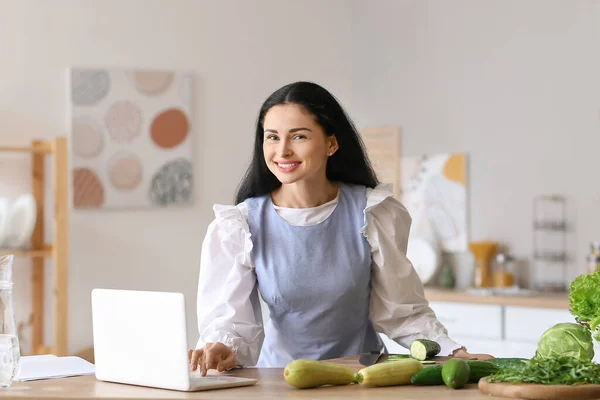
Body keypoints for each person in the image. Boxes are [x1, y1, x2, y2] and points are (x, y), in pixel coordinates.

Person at [188, 81, 492, 376]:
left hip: (364, 378)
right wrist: (222, 348)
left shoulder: (373, 212)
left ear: (331, 143)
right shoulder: (240, 226)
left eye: (299, 137)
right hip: (281, 381)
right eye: (272, 137)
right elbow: (231, 324)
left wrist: (453, 352)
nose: (282, 151)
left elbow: (403, 312)